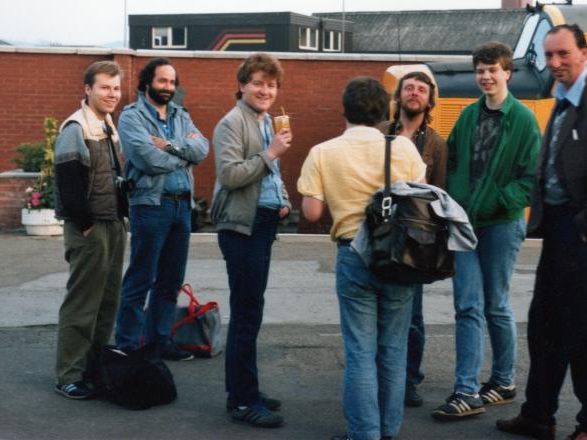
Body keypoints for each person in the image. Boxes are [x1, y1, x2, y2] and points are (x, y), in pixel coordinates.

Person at [496, 24, 587, 440]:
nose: (555, 63)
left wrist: (586, 229)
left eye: (563, 54)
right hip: (558, 228)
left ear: (583, 53)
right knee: (546, 325)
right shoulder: (563, 99)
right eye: (549, 55)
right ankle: (538, 415)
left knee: (586, 331)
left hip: (582, 232)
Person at [298, 77, 426, 440]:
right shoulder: (404, 149)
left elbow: (310, 212)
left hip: (353, 253)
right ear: (384, 110)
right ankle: (388, 431)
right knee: (393, 349)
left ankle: (363, 433)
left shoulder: (323, 152)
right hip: (401, 258)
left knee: (360, 351)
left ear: (345, 109)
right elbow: (418, 199)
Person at [433, 41, 540, 420]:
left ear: (507, 73)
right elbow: (454, 159)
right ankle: (466, 389)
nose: (485, 76)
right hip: (464, 225)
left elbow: (531, 179)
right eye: (480, 70)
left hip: (501, 224)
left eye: (492, 70)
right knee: (467, 305)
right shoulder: (467, 116)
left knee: (495, 304)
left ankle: (503, 381)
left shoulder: (524, 119)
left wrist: (496, 201)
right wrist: (451, 202)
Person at [210, 54, 292, 429]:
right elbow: (230, 175)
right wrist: (271, 152)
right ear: (242, 84)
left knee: (252, 312)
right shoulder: (231, 123)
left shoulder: (264, 121)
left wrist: (284, 199)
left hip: (263, 223)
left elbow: (269, 175)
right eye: (258, 83)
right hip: (240, 227)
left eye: (271, 85)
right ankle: (242, 401)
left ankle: (248, 390)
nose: (265, 91)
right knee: (245, 314)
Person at [114, 57, 209, 360]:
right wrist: (185, 155)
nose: (168, 87)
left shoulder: (181, 114)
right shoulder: (131, 117)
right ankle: (128, 345)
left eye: (171, 82)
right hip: (151, 206)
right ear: (147, 83)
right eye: (162, 81)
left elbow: (203, 149)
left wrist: (169, 147)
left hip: (182, 207)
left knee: (170, 281)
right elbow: (146, 160)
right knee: (141, 278)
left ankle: (160, 341)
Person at [53, 61, 129, 399]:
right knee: (82, 305)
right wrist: (84, 225)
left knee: (107, 303)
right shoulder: (76, 127)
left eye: (116, 88)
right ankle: (69, 375)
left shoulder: (107, 125)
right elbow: (69, 185)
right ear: (88, 89)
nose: (112, 94)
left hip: (113, 226)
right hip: (90, 228)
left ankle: (94, 369)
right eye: (105, 87)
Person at [376, 71, 447, 408]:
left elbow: (441, 195)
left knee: (413, 315)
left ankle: (408, 379)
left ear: (429, 100)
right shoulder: (377, 133)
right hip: (378, 233)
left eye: (421, 89)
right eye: (409, 88)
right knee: (377, 310)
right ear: (398, 96)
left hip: (414, 240)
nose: (414, 93)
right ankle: (379, 376)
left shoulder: (435, 143)